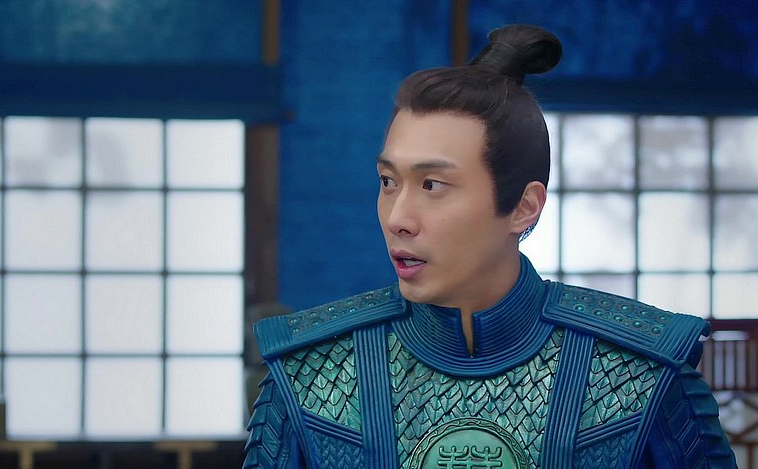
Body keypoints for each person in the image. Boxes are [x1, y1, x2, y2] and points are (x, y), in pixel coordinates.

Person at [243, 24, 736, 468]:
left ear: (523, 206)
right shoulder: (312, 371)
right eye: (388, 181)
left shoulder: (640, 369)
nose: (397, 219)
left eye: (433, 185)